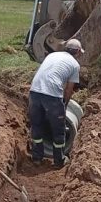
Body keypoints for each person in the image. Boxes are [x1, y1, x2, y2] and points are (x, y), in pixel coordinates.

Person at [28, 39, 83, 169]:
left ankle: (37, 158)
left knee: (36, 126)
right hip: (52, 97)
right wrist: (64, 105)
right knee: (59, 130)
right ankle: (59, 161)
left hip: (34, 92)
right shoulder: (75, 65)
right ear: (78, 52)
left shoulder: (52, 55)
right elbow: (69, 89)